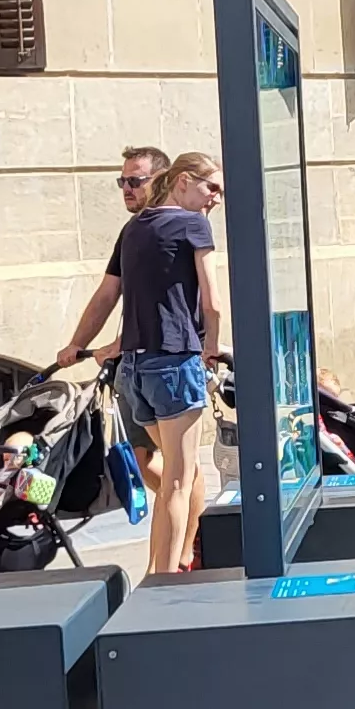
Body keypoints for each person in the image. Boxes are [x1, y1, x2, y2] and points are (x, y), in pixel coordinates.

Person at [55, 152, 228, 576]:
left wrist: (78, 344)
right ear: (184, 181)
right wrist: (213, 347)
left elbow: (112, 297)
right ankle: (168, 582)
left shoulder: (133, 228)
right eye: (212, 188)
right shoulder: (193, 225)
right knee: (179, 482)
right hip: (174, 362)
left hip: (133, 370)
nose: (216, 200)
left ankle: (157, 571)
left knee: (170, 476)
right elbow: (214, 304)